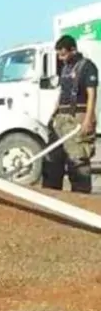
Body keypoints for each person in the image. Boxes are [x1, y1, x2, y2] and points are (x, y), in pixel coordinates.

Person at [42, 34, 98, 193]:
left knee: (77, 161)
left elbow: (92, 94)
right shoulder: (65, 68)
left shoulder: (87, 67)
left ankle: (81, 200)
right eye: (59, 54)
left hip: (77, 118)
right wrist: (54, 113)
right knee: (52, 160)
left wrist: (88, 119)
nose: (61, 58)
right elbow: (62, 92)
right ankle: (51, 195)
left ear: (73, 50)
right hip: (61, 118)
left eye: (63, 54)